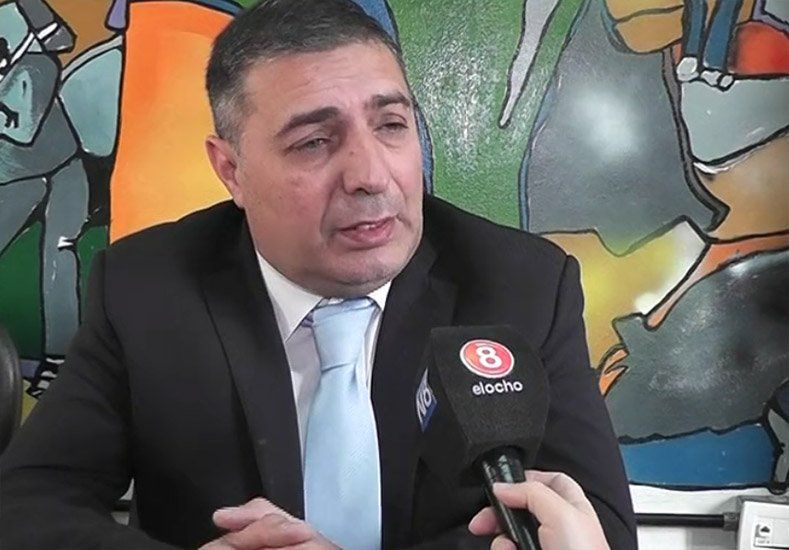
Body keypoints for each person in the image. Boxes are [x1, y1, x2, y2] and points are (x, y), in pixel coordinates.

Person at [0, 1, 637, 549]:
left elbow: (597, 526)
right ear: (231, 171)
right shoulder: (148, 287)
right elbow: (26, 503)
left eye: (391, 125)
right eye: (314, 142)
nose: (371, 175)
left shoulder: (521, 286)